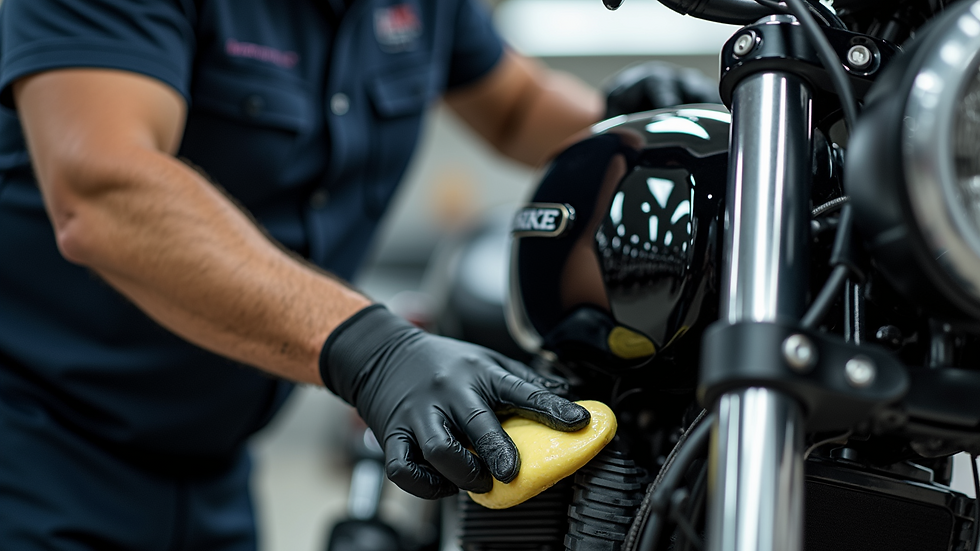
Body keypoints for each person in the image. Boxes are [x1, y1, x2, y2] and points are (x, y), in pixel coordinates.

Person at [0, 0, 719, 548]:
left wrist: (628, 123)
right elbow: (104, 191)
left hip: (210, 460)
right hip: (33, 445)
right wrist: (373, 349)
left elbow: (516, 107)